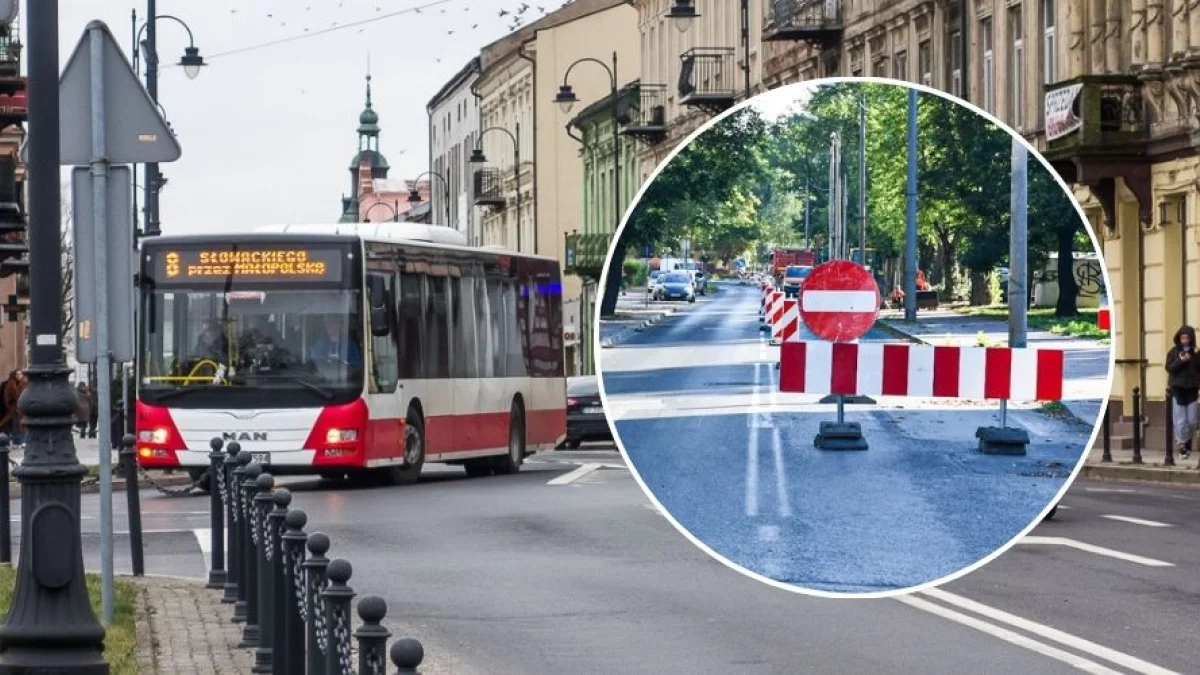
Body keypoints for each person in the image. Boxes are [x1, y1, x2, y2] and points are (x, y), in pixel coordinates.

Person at [1165, 325, 1200, 461]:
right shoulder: (1173, 352)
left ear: (1191, 339)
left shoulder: (1195, 353)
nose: (1185, 341)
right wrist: (1180, 360)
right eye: (1182, 338)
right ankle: (1181, 445)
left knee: (1192, 421)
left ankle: (1184, 441)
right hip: (1178, 388)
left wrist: (1195, 356)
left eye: (1187, 338)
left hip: (1191, 388)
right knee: (1180, 420)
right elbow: (1169, 368)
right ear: (1179, 339)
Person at [0, 370, 27, 446]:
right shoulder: (9, 384)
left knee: (22, 425)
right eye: (17, 374)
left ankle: (22, 441)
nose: (18, 376)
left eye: (20, 374)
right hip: (13, 409)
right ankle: (15, 441)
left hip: (22, 409)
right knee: (14, 425)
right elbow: (6, 397)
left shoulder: (26, 384)